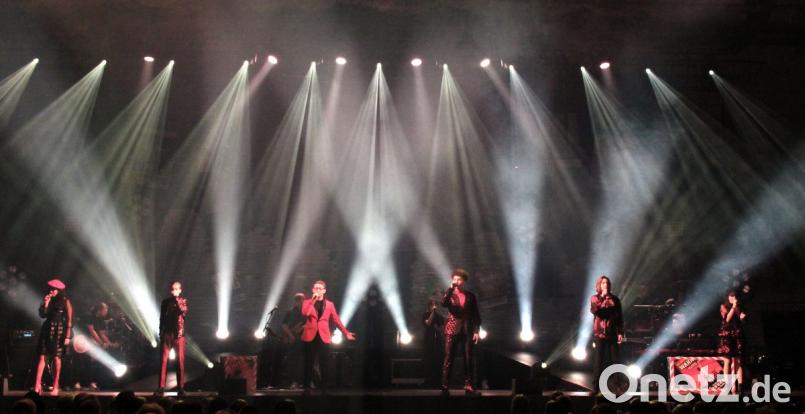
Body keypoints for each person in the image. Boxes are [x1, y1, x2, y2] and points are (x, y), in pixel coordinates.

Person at [300, 280, 355, 393]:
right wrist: (313, 301)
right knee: (309, 362)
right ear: (313, 290)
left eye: (320, 288)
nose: (317, 290)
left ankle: (324, 388)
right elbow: (305, 313)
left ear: (324, 291)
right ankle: (307, 387)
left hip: (323, 336)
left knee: (324, 362)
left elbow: (336, 320)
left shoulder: (330, 304)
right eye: (315, 288)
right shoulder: (307, 302)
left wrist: (346, 333)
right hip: (310, 335)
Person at [440, 268, 481, 395]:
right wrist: (450, 288)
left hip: (467, 329)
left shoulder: (470, 296)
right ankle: (445, 386)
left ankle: (469, 385)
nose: (456, 281)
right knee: (449, 358)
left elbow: (475, 314)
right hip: (452, 328)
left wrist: (476, 331)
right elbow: (443, 303)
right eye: (454, 279)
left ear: (463, 281)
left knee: (468, 358)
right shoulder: (449, 294)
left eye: (459, 279)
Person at [34, 279, 73, 395]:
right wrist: (46, 303)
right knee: (42, 356)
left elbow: (69, 320)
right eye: (50, 289)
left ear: (59, 290)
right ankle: (37, 385)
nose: (51, 291)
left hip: (59, 330)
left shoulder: (65, 301)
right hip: (47, 329)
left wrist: (67, 336)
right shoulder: (48, 299)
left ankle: (55, 385)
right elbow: (42, 315)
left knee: (56, 357)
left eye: (54, 289)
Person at [590, 275, 623, 392]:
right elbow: (596, 311)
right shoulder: (595, 298)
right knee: (599, 360)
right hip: (599, 333)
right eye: (603, 283)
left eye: (607, 283)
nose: (606, 285)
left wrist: (620, 332)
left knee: (615, 359)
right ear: (599, 285)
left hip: (612, 332)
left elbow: (619, 316)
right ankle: (595, 387)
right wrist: (602, 298)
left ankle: (617, 385)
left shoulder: (615, 299)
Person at [156, 281, 187, 396]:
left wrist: (176, 300)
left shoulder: (183, 301)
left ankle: (181, 387)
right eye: (173, 289)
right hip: (167, 334)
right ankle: (161, 387)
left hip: (179, 335)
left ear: (180, 290)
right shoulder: (165, 302)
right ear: (170, 290)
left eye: (177, 289)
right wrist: (161, 331)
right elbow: (162, 318)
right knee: (163, 361)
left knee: (180, 362)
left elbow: (182, 312)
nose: (175, 291)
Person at [717, 290, 746, 393]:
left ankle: (740, 388)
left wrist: (737, 309)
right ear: (727, 297)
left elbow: (742, 319)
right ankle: (727, 387)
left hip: (737, 335)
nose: (732, 298)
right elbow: (727, 319)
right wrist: (733, 306)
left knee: (738, 361)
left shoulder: (740, 306)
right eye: (730, 296)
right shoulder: (723, 306)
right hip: (727, 335)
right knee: (727, 361)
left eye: (734, 297)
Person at [277, 293, 305, 388]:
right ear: (296, 301)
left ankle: (301, 381)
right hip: (292, 339)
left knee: (302, 360)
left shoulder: (307, 312)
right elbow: (284, 324)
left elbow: (310, 323)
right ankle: (292, 381)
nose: (301, 302)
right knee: (292, 360)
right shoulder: (290, 311)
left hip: (303, 339)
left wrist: (302, 327)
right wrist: (290, 334)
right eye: (299, 300)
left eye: (302, 300)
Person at [422, 298, 444, 388]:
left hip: (438, 342)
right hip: (428, 341)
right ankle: (428, 381)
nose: (434, 306)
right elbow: (428, 323)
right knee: (428, 361)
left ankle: (438, 382)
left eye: (435, 305)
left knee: (438, 361)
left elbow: (442, 329)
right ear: (429, 306)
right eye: (432, 305)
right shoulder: (425, 314)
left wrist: (437, 329)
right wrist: (433, 313)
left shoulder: (439, 317)